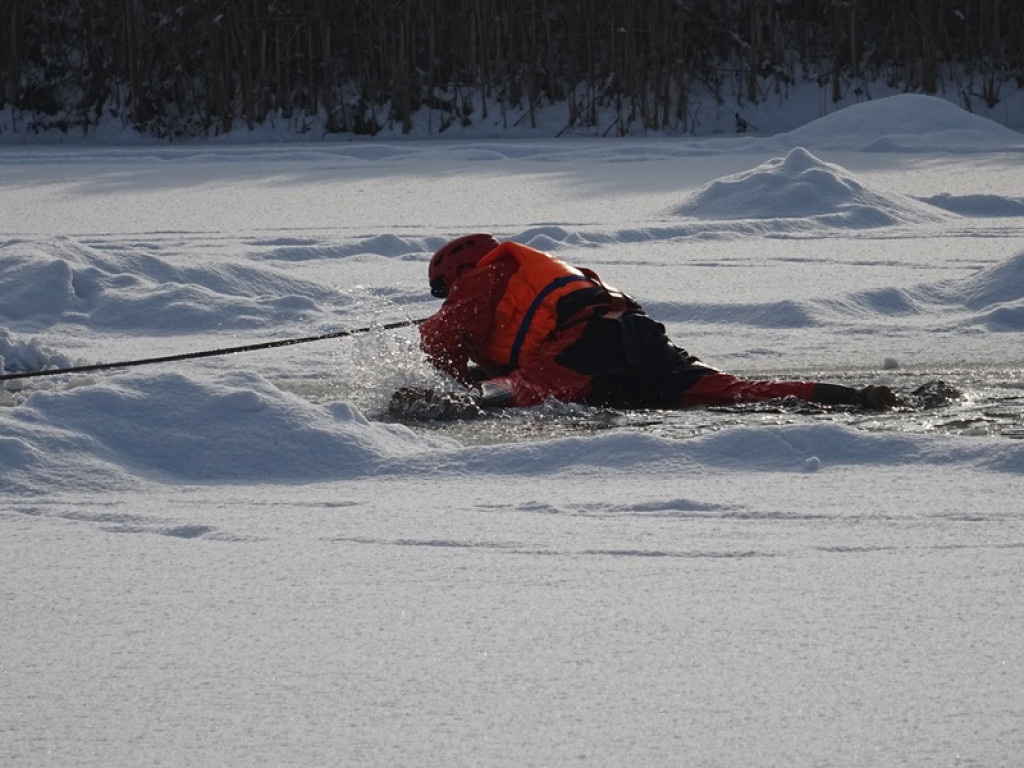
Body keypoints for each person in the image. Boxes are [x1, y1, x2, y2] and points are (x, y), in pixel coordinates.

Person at [396, 233, 896, 418]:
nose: (447, 301)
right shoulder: (538, 274)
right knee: (729, 392)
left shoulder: (485, 274)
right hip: (632, 333)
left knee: (518, 392)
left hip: (590, 341)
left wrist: (451, 394)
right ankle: (850, 398)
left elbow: (440, 339)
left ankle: (453, 412)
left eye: (444, 292)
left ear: (457, 273)